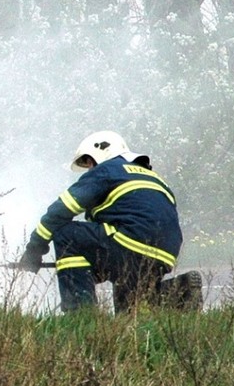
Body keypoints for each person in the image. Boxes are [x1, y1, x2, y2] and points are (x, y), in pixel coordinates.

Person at [17, 130, 183, 313]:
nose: (89, 169)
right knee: (129, 313)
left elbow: (60, 211)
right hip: (165, 254)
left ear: (99, 153)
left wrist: (34, 250)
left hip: (131, 242)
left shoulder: (107, 170)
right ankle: (179, 293)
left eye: (88, 163)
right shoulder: (154, 177)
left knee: (66, 235)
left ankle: (80, 313)